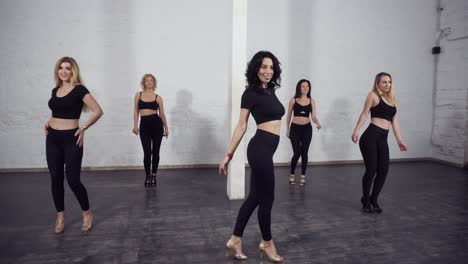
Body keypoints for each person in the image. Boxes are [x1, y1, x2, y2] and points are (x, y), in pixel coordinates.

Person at [219, 51, 285, 262]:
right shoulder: (250, 93)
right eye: (264, 67)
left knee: (256, 197)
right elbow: (241, 125)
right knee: (268, 198)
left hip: (267, 149)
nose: (268, 71)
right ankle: (267, 243)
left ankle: (235, 239)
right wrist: (228, 155)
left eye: (271, 67)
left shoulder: (270, 91)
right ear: (256, 68)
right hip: (259, 150)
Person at [45, 57, 103, 233]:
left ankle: (87, 213)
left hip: (71, 138)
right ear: (57, 71)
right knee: (55, 179)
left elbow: (98, 111)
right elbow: (58, 111)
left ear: (73, 71)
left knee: (73, 180)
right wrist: (48, 121)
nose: (63, 71)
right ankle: (60, 217)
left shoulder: (79, 90)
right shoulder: (55, 90)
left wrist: (83, 128)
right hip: (52, 138)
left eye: (67, 68)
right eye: (60, 68)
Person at [351, 72, 408, 213]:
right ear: (378, 83)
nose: (387, 84)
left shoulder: (393, 101)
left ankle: (373, 199)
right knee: (371, 170)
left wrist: (400, 141)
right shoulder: (373, 96)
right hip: (370, 136)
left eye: (389, 82)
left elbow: (395, 123)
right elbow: (364, 113)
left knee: (383, 170)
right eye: (384, 82)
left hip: (383, 138)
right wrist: (356, 130)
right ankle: (365, 200)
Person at [133, 74, 169, 187]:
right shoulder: (138, 95)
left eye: (151, 81)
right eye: (147, 80)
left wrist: (166, 128)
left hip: (156, 125)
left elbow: (162, 114)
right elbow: (136, 111)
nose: (149, 82)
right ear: (143, 83)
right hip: (144, 125)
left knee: (156, 151)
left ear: (154, 83)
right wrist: (135, 125)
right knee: (147, 152)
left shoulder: (158, 97)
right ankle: (147, 175)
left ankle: (154, 175)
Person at [285, 79, 321, 186]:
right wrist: (287, 129)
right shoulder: (293, 100)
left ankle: (302, 177)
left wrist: (317, 122)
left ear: (309, 88)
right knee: (297, 153)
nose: (305, 88)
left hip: (307, 129)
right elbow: (288, 116)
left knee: (304, 152)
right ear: (299, 88)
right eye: (303, 86)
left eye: (307, 86)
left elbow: (313, 116)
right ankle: (292, 175)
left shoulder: (312, 101)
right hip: (295, 129)